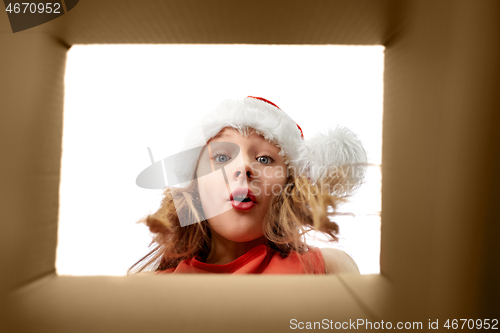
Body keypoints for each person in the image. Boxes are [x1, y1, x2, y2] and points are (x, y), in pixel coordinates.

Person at [129, 96, 366, 275]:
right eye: (221, 157)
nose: (244, 167)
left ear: (289, 187)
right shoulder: (147, 290)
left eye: (264, 159)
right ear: (195, 185)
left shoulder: (328, 271)